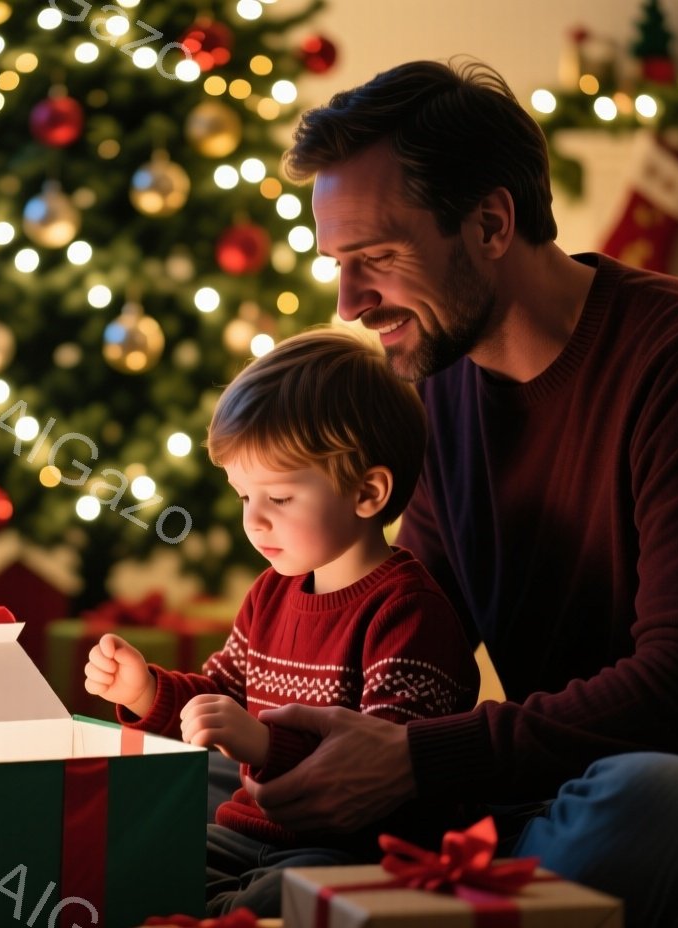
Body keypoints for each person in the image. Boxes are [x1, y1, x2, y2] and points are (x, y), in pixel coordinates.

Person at [240, 59, 678, 928]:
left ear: (491, 223)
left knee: (634, 809)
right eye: (337, 263)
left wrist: (418, 763)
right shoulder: (439, 386)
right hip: (548, 778)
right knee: (223, 768)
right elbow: (414, 621)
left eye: (378, 258)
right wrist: (288, 737)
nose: (349, 301)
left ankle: (402, 884)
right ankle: (415, 885)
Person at [85, 328, 480, 917]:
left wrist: (265, 744)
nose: (254, 521)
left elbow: (381, 772)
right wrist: (146, 692)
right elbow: (220, 696)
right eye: (244, 497)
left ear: (368, 492)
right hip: (247, 833)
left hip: (350, 850)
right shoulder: (270, 594)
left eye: (280, 498)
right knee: (133, 869)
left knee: (276, 902)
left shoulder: (407, 613)